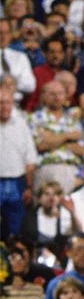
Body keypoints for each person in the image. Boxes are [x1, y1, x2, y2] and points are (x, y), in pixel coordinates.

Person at [0, 87, 38, 240]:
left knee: (16, 229)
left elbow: (30, 158)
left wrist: (29, 186)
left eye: (7, 103)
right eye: (0, 103)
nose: (4, 107)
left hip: (18, 182)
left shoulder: (21, 124)